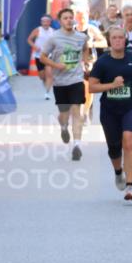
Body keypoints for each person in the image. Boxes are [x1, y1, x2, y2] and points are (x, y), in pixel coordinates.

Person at [89, 26, 132, 201]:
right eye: (114, 37)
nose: (117, 40)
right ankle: (118, 171)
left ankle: (130, 186)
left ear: (125, 40)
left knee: (129, 141)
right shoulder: (102, 62)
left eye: (120, 38)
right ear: (110, 40)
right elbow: (92, 86)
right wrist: (111, 86)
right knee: (114, 148)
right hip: (110, 110)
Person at [38, 8, 90, 161]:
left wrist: (85, 62)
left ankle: (77, 145)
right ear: (60, 21)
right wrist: (55, 64)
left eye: (71, 17)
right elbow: (42, 57)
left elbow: (86, 48)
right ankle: (63, 127)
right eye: (65, 18)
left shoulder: (81, 37)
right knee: (64, 115)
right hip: (60, 82)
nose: (69, 20)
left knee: (77, 112)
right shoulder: (54, 38)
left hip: (76, 79)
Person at [77, 11, 107, 125]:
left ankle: (85, 113)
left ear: (87, 16)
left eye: (83, 16)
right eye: (79, 16)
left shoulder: (92, 29)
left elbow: (104, 42)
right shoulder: (71, 29)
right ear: (76, 17)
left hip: (89, 62)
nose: (81, 18)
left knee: (88, 90)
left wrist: (92, 44)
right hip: (75, 62)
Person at [28, 14, 55, 98]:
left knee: (49, 74)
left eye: (47, 21)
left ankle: (47, 92)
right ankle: (46, 85)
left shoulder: (53, 31)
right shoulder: (37, 30)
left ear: (50, 22)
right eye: (43, 22)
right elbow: (29, 39)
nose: (45, 23)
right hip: (38, 56)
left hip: (49, 55)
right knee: (42, 76)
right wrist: (35, 47)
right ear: (41, 22)